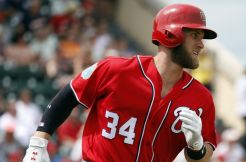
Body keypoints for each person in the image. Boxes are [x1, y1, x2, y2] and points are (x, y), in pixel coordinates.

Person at [23, 3, 217, 162]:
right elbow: (69, 95)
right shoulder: (116, 69)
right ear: (170, 34)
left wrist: (196, 148)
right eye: (195, 36)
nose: (201, 44)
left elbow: (204, 156)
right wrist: (38, 142)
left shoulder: (202, 98)